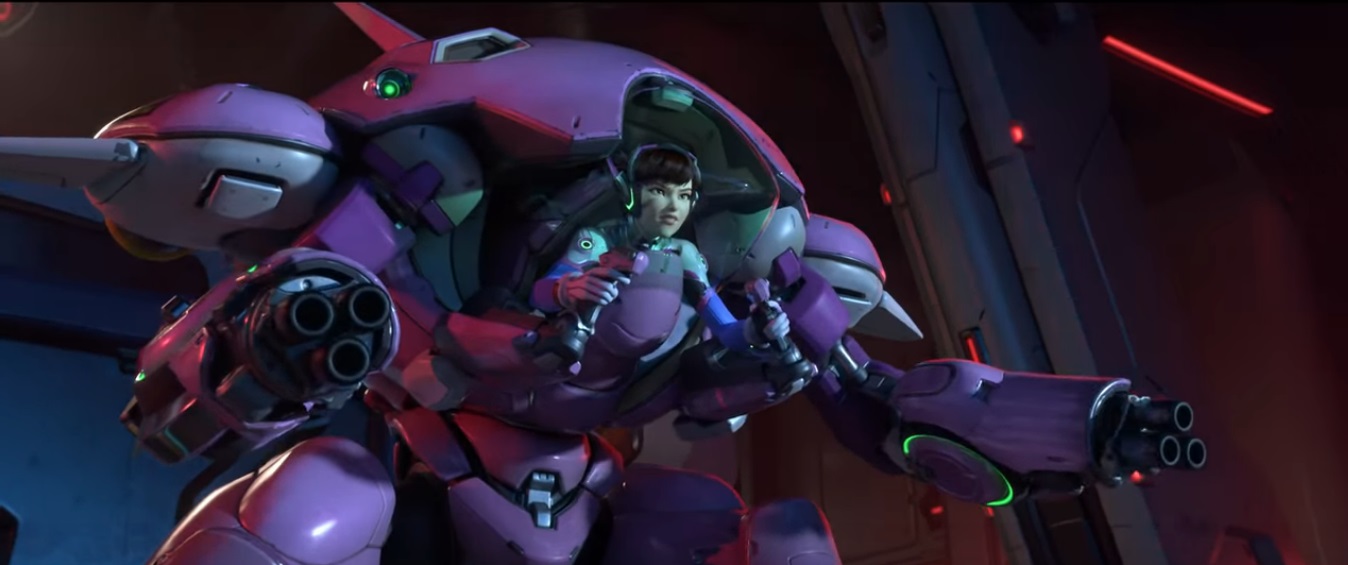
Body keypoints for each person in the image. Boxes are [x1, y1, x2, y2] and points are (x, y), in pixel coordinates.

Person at [527, 144, 789, 365]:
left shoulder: (683, 253)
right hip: (570, 360)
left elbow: (726, 330)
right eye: (660, 191)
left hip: (631, 375)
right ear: (631, 193)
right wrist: (568, 289)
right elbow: (538, 295)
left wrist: (755, 330)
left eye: (684, 195)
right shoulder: (598, 240)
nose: (674, 206)